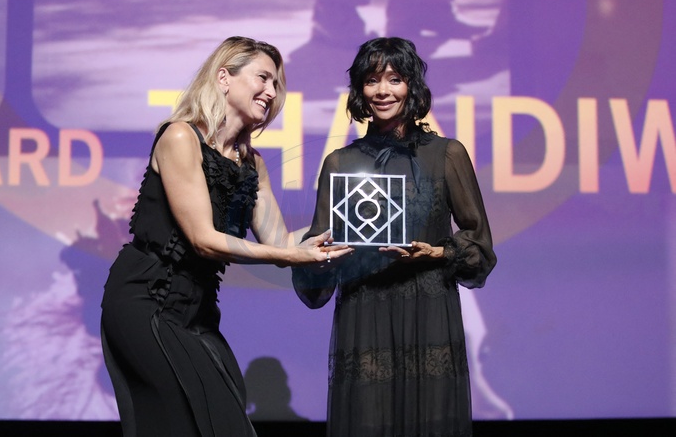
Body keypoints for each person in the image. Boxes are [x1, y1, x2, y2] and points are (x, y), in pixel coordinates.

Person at [100, 36, 352, 437]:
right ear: (224, 78)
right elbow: (203, 239)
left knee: (228, 422)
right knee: (177, 424)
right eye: (263, 78)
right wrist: (287, 255)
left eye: (276, 84)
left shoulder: (252, 163)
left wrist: (348, 222)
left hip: (197, 310)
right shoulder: (180, 137)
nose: (271, 92)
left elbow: (281, 241)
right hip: (147, 300)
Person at [292, 37, 496, 437]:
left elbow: (479, 245)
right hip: (364, 312)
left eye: (394, 79)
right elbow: (318, 252)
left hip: (429, 312)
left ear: (411, 86)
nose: (382, 90)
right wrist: (318, 254)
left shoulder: (446, 154)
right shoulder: (340, 163)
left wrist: (436, 253)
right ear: (360, 90)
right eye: (371, 80)